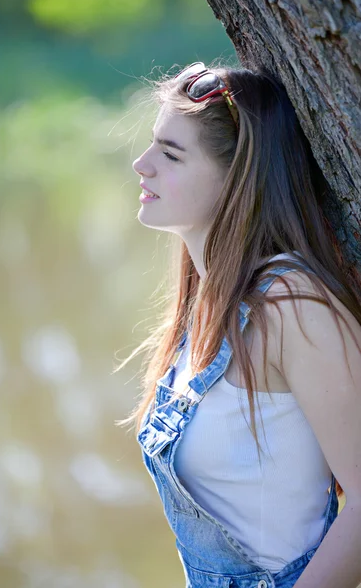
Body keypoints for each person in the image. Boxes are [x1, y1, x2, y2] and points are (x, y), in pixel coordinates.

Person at [114, 61, 361, 588]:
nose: (142, 163)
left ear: (238, 176)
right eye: (154, 143)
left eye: (171, 153)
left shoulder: (290, 303)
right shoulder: (204, 302)